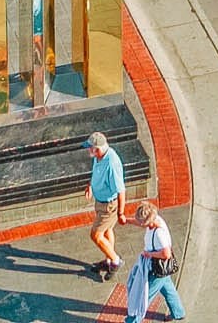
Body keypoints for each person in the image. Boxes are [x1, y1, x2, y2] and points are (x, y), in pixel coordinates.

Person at [125, 201, 186, 320]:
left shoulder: (159, 234)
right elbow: (140, 222)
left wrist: (149, 254)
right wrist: (127, 220)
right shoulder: (156, 218)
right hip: (163, 269)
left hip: (157, 270)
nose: (140, 223)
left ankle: (131, 320)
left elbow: (166, 254)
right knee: (168, 289)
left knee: (142, 299)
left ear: (147, 222)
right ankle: (178, 312)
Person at [84, 129, 126, 281]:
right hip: (101, 202)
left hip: (109, 206)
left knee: (95, 235)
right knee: (107, 230)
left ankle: (115, 261)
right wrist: (90, 185)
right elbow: (95, 173)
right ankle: (108, 259)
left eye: (90, 148)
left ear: (98, 149)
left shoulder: (112, 164)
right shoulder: (98, 157)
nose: (88, 150)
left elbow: (121, 190)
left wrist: (121, 213)